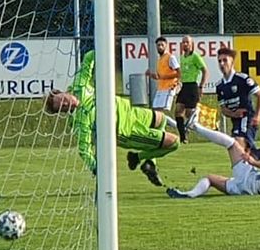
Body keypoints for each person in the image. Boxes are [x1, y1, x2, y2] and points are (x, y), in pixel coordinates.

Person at [47, 50, 180, 186]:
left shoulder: (79, 86)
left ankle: (150, 162)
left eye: (62, 99)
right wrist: (96, 169)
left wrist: (101, 49)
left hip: (129, 110)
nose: (65, 103)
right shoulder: (81, 120)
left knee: (161, 119)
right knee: (174, 142)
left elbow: (88, 59)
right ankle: (138, 157)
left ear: (63, 92)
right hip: (127, 130)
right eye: (62, 107)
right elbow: (84, 150)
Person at [214, 47, 260, 159]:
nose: (222, 64)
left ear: (232, 61)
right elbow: (223, 109)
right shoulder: (220, 86)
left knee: (238, 147)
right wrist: (233, 114)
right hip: (236, 121)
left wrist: (257, 115)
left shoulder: (242, 79)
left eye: (225, 60)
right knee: (246, 155)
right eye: (219, 61)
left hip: (247, 118)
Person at [173, 35, 209, 144]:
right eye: (183, 42)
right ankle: (183, 137)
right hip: (184, 86)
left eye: (187, 42)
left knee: (189, 114)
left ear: (191, 44)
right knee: (178, 110)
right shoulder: (182, 57)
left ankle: (209, 125)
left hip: (193, 86)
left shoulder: (195, 56)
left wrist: (201, 86)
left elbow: (205, 71)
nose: (185, 44)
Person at [145, 36, 180, 112]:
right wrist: (150, 74)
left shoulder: (170, 57)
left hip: (169, 87)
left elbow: (179, 72)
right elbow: (159, 77)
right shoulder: (160, 60)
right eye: (158, 45)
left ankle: (170, 123)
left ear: (166, 46)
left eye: (162, 45)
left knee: (164, 110)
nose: (160, 47)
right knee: (155, 110)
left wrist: (176, 83)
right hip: (161, 88)